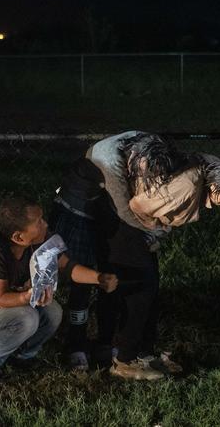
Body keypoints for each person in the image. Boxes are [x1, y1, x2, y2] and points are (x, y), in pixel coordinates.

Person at [51, 132, 186, 379]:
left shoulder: (149, 145)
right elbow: (125, 211)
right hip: (80, 208)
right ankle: (76, 345)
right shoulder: (110, 162)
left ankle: (105, 342)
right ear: (135, 158)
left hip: (104, 210)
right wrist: (154, 230)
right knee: (82, 278)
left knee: (110, 277)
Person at [0, 197, 118, 386]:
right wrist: (29, 296)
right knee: (28, 316)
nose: (45, 224)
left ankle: (23, 355)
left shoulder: (40, 239)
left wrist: (98, 278)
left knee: (53, 311)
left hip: (6, 313)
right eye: (38, 222)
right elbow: (1, 299)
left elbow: (66, 266)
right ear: (18, 237)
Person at [128, 159, 220, 230]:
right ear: (217, 184)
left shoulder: (202, 178)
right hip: (125, 202)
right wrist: (155, 231)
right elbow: (137, 206)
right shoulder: (188, 187)